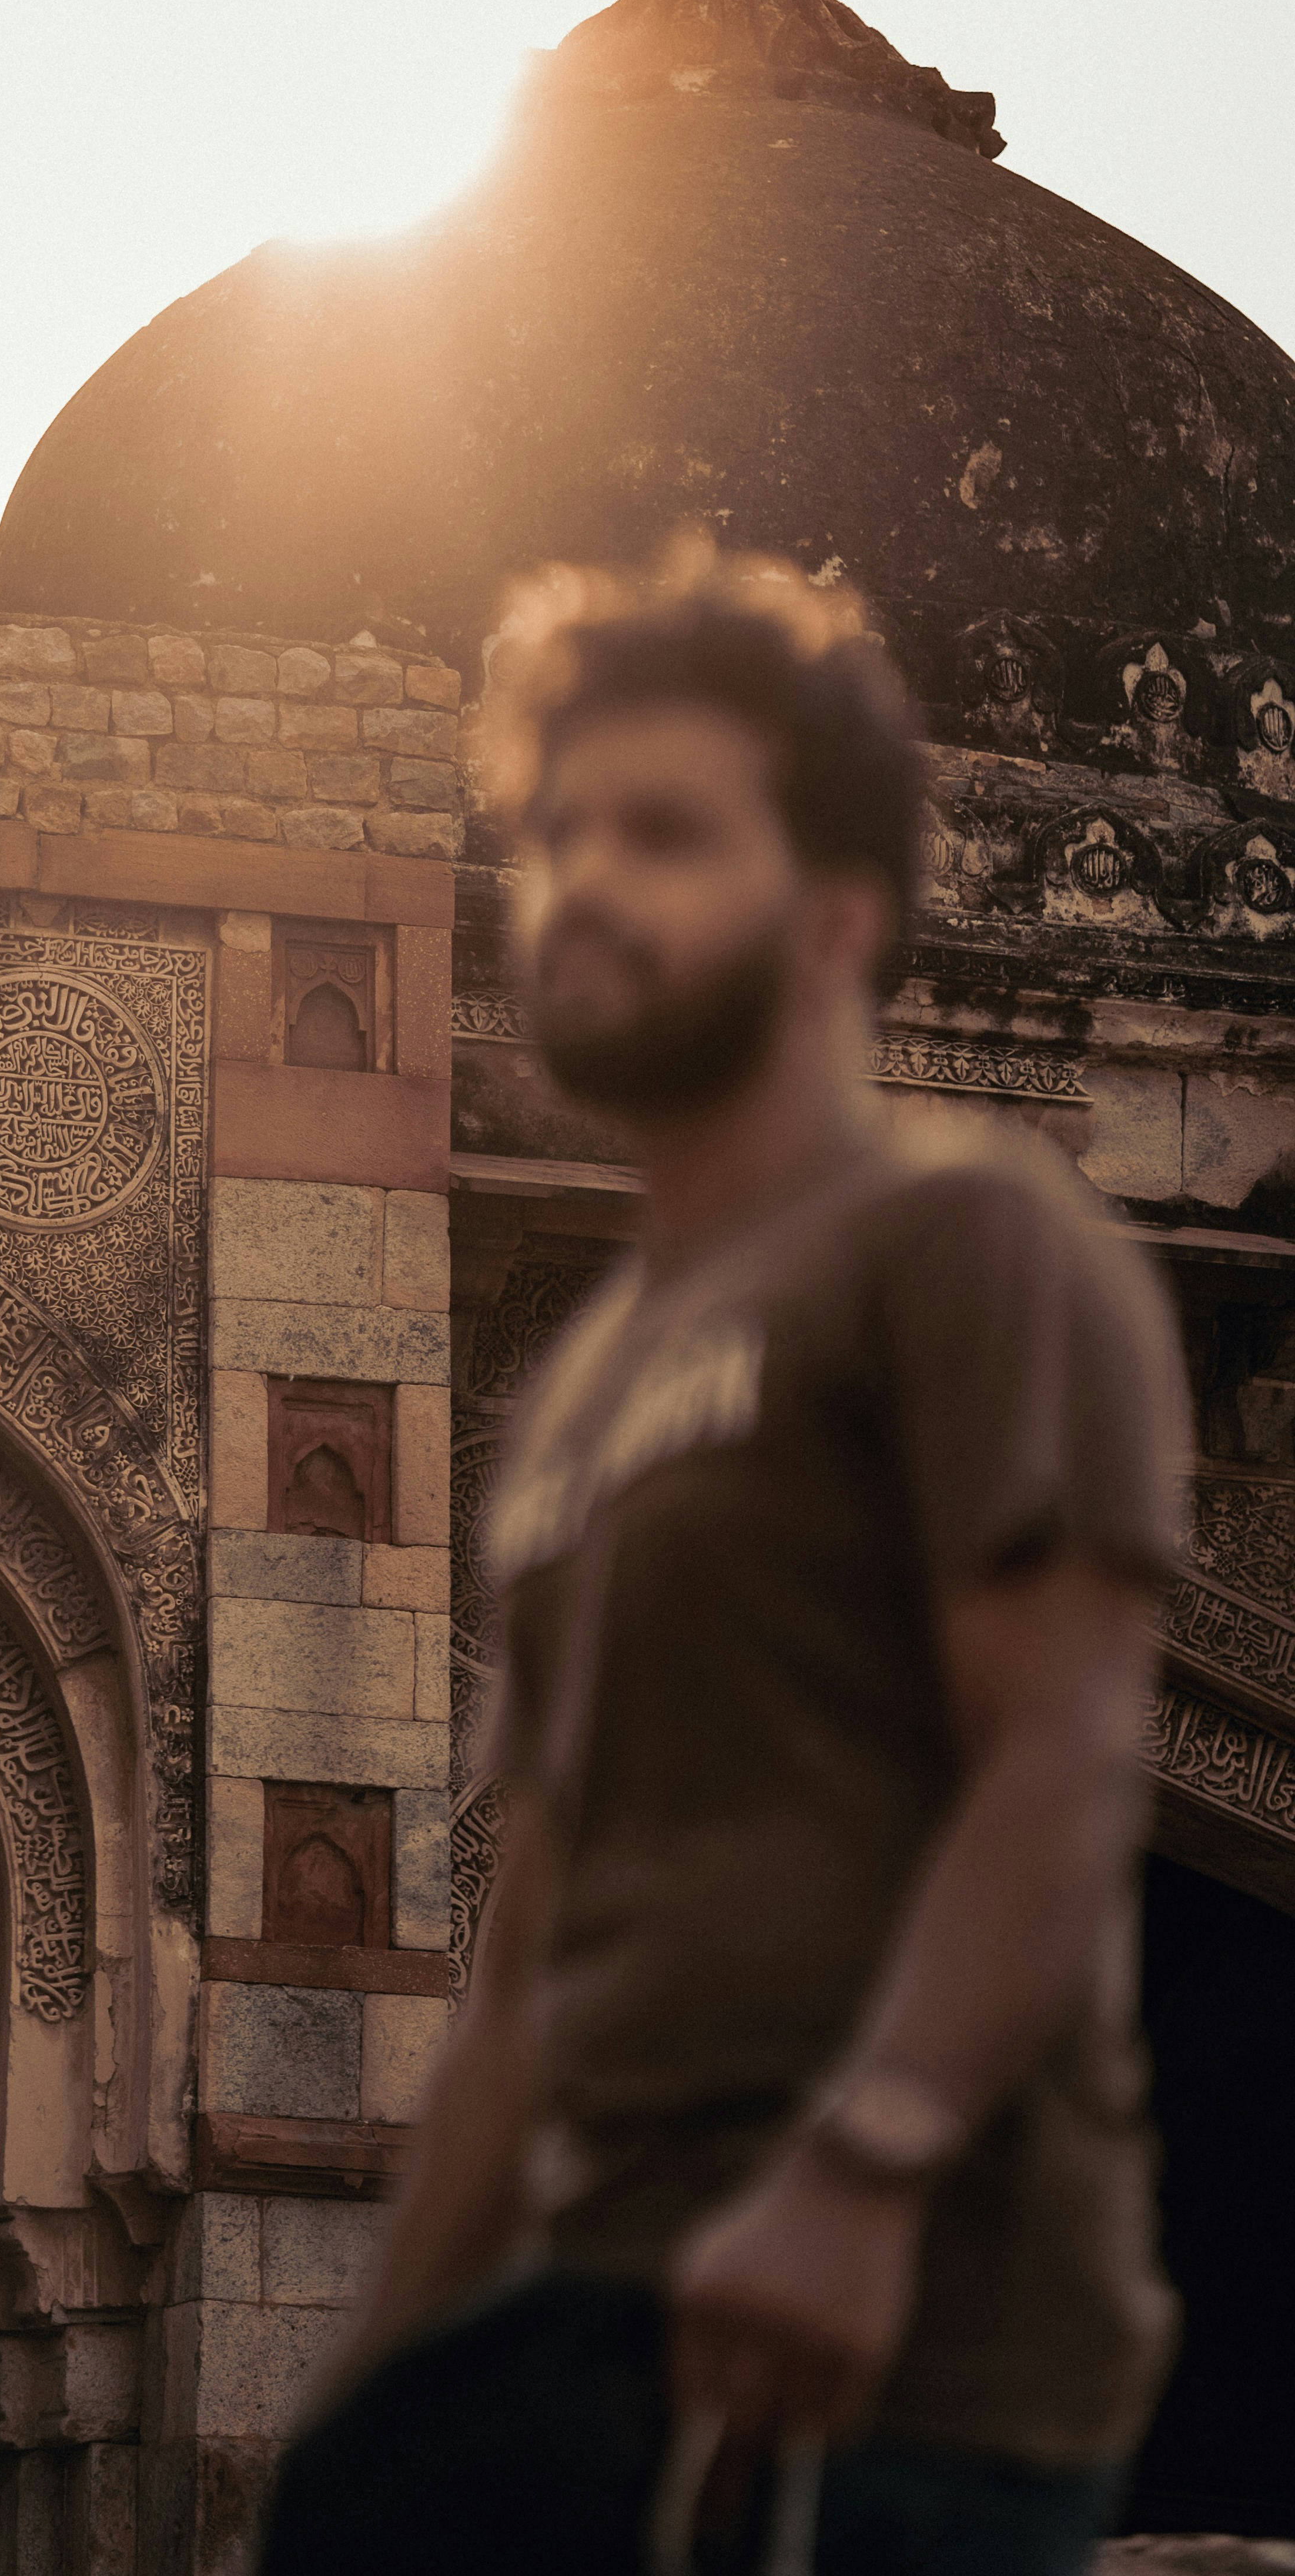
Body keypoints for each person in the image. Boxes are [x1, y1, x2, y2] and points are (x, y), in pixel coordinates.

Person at [262, 549, 1189, 2576]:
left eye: (667, 831)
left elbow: (1067, 1757)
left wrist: (865, 2174)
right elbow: (535, 1951)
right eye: (559, 831)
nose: (588, 880)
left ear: (840, 913)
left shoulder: (971, 1245)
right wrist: (356, 2403)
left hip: (895, 2338)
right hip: (614, 2305)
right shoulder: (594, 1394)